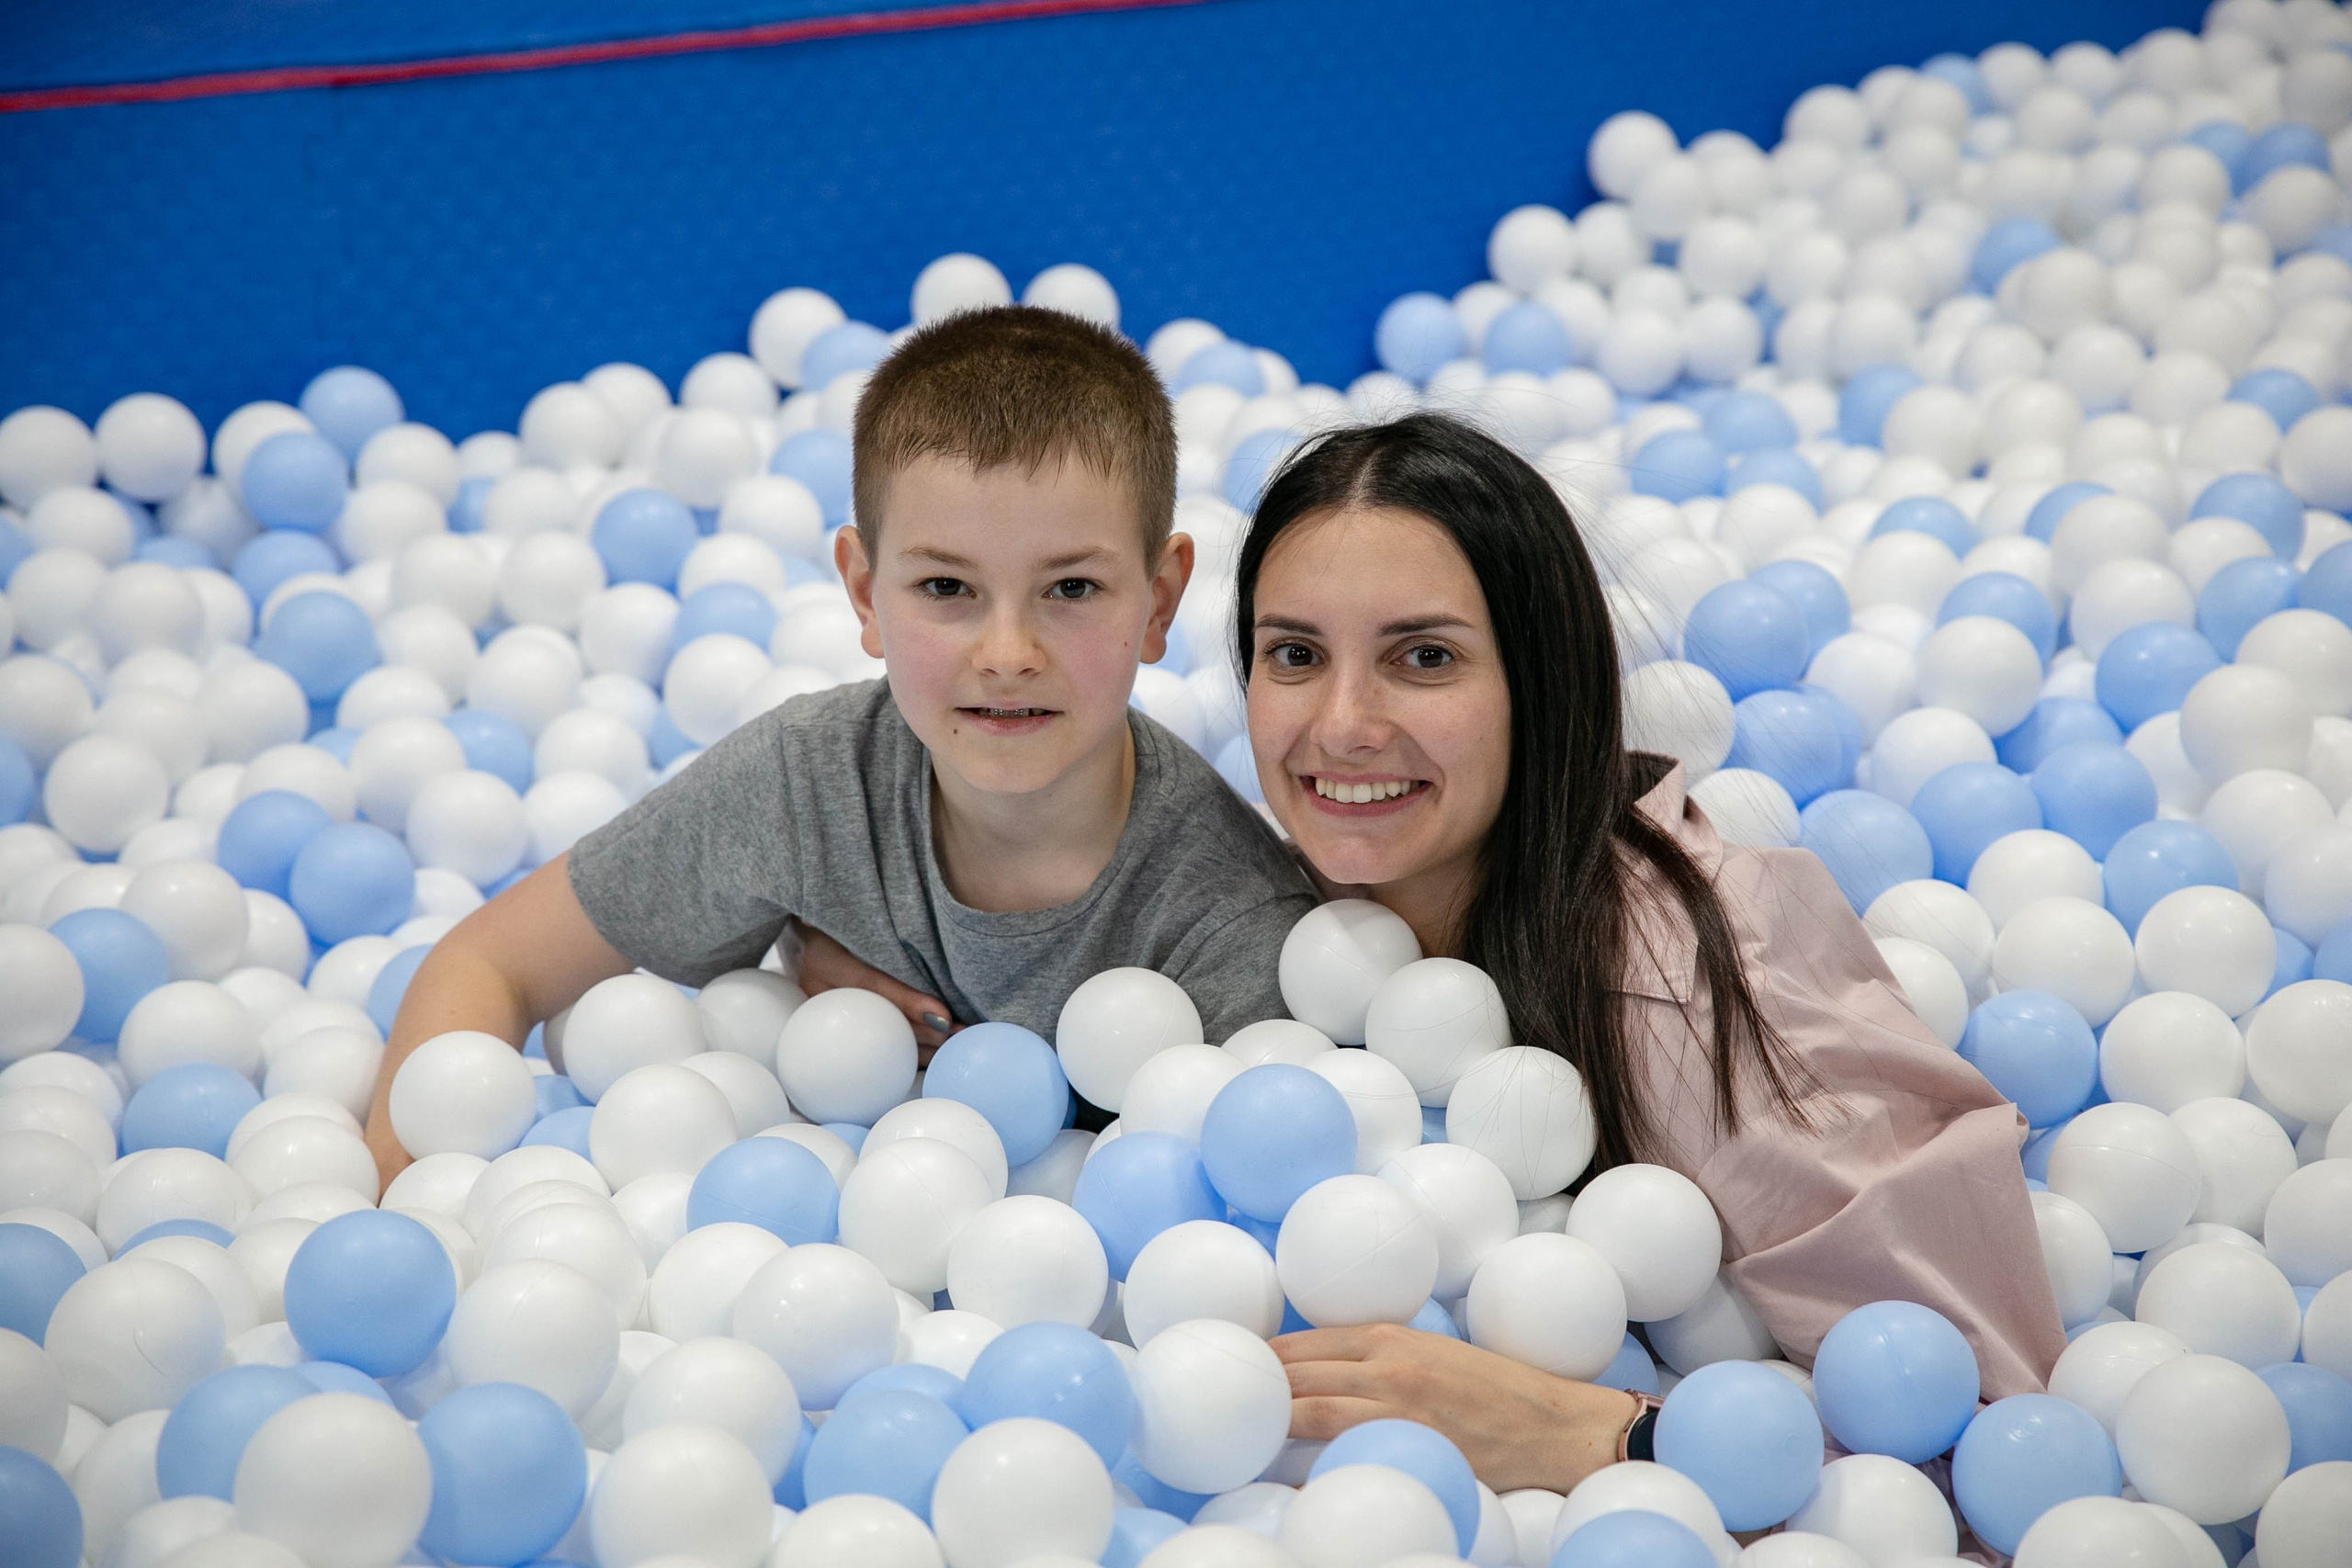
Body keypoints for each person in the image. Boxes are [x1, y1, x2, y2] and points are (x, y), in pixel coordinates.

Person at [809, 412, 2065, 1506]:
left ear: (1541, 683)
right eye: (1295, 654)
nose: (1343, 725)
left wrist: (1582, 1429)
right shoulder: (1265, 896)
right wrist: (851, 973)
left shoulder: (1673, 987)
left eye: (1425, 657)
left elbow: (1991, 1431)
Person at [363, 305, 1317, 1186]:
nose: (1007, 655)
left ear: (1159, 601)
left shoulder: (1230, 923)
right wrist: (409, 1218)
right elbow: (489, 963)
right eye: (946, 588)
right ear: (864, 594)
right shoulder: (807, 785)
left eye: (1071, 590)